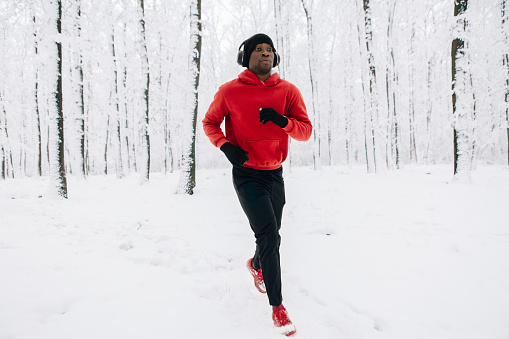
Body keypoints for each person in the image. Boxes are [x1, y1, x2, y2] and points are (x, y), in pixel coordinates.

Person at [202, 33, 312, 336]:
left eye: (269, 50)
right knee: (268, 234)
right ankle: (278, 308)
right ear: (246, 56)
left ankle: (256, 264)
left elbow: (305, 132)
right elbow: (210, 122)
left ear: (274, 57)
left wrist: (282, 121)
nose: (265, 54)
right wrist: (225, 146)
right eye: (258, 50)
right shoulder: (229, 91)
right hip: (247, 173)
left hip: (274, 172)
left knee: (271, 233)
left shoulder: (289, 91)